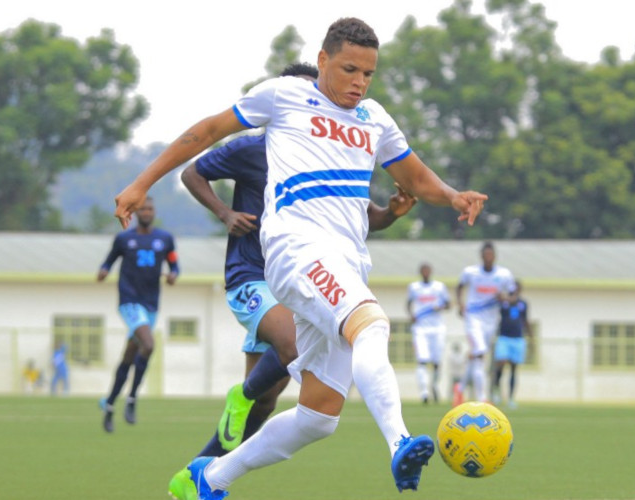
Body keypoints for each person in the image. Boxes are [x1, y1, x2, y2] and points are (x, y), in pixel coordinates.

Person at [115, 17, 487, 498]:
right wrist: (141, 183)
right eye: (350, 69)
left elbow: (415, 178)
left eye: (368, 74)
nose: (359, 82)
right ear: (323, 61)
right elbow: (207, 130)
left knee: (317, 416)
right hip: (296, 248)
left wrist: (453, 196)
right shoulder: (286, 95)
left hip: (346, 262)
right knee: (371, 325)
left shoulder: (374, 118)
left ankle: (208, 477)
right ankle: (399, 443)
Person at [169, 62, 417, 498]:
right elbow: (193, 170)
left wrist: (394, 212)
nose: (313, 110)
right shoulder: (251, 149)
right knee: (293, 346)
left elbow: (367, 218)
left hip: (313, 281)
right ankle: (243, 396)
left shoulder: (331, 150)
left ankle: (201, 475)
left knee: (304, 413)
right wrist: (225, 213)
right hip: (254, 276)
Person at [97, 196, 179, 433]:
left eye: (150, 208)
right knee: (149, 344)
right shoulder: (124, 239)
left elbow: (174, 265)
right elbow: (109, 261)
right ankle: (132, 398)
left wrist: (173, 275)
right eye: (142, 209)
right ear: (135, 212)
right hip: (129, 302)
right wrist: (103, 271)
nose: (147, 212)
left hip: (151, 303)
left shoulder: (165, 239)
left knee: (130, 356)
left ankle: (110, 403)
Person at [456, 241, 516, 403]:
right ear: (481, 256)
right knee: (480, 353)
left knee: (477, 356)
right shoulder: (471, 272)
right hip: (473, 318)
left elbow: (513, 296)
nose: (488, 257)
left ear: (495, 256)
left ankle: (460, 388)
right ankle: (482, 398)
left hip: (492, 320)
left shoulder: (503, 274)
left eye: (491, 255)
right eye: (486, 254)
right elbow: (460, 286)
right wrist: (460, 304)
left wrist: (506, 298)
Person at [406, 262, 451, 404]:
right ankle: (424, 392)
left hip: (437, 328)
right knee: (422, 360)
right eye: (423, 271)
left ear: (431, 272)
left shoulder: (439, 287)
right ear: (420, 272)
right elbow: (408, 304)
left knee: (437, 361)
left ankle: (435, 385)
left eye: (427, 270)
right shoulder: (414, 287)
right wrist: (411, 315)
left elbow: (449, 304)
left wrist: (440, 307)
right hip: (421, 328)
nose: (425, 273)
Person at [491, 280, 532, 408]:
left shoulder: (523, 304)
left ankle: (510, 398)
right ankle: (496, 392)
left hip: (518, 339)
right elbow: (496, 297)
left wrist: (531, 336)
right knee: (501, 363)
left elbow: (525, 320)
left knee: (514, 368)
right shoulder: (503, 302)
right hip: (504, 338)